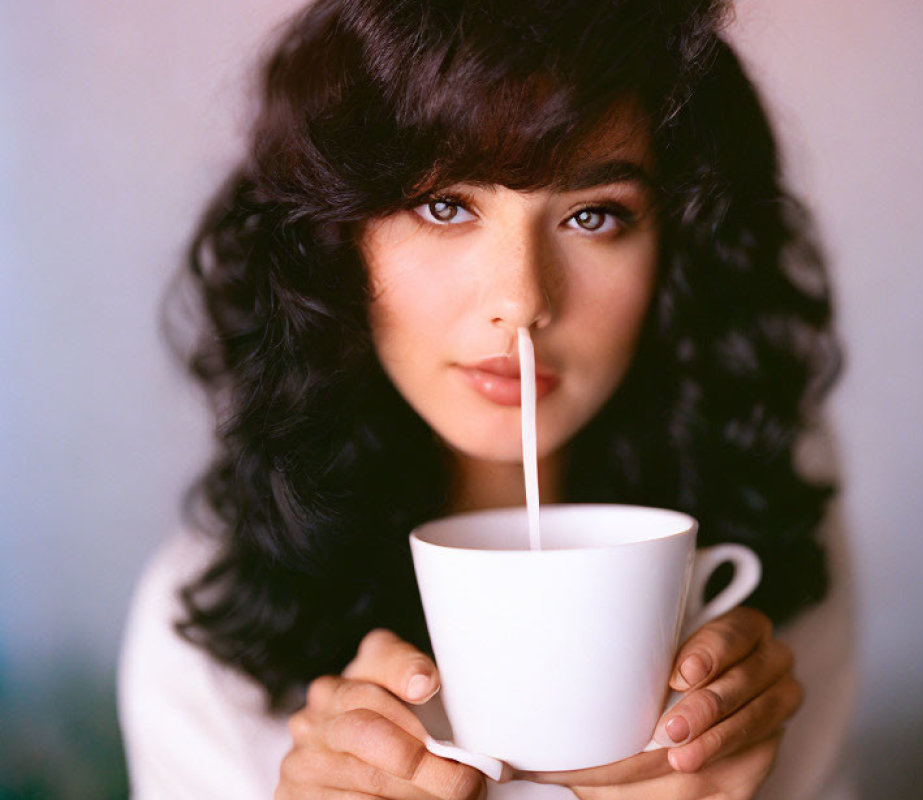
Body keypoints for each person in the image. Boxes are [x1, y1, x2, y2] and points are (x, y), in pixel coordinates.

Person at [118, 0, 857, 798]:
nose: (523, 301)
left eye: (594, 215)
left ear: (680, 250)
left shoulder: (769, 556)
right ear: (332, 241)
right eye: (445, 205)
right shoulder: (205, 642)